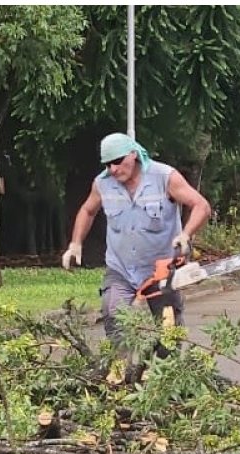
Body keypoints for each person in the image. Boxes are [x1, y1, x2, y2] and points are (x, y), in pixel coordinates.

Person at [62, 133, 211, 355]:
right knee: (114, 315)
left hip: (162, 271)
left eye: (117, 161)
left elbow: (201, 206)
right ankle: (122, 369)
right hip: (121, 268)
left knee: (168, 332)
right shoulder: (102, 183)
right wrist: (75, 244)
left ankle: (164, 370)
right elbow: (87, 210)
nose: (113, 169)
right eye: (107, 164)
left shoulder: (164, 177)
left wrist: (186, 234)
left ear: (133, 155)